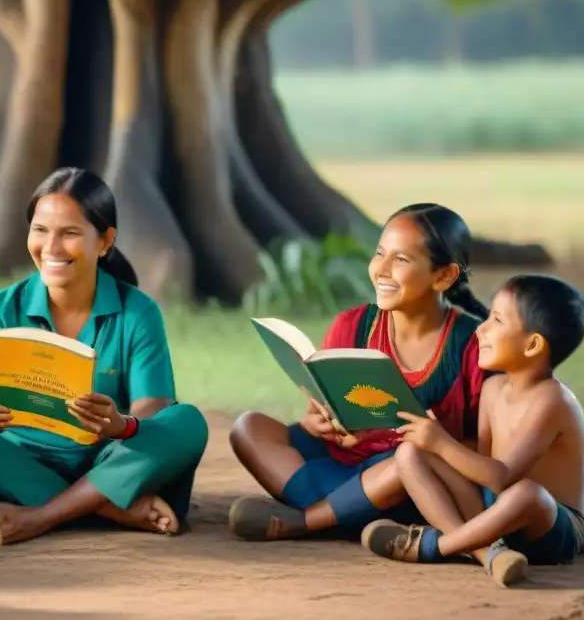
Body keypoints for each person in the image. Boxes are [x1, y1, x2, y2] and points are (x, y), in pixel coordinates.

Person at [0, 167, 209, 546]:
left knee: (187, 421)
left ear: (105, 240)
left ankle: (40, 517)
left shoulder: (137, 311)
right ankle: (111, 510)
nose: (52, 248)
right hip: (28, 462)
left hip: (109, 458)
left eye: (70, 233)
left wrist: (118, 425)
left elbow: (153, 409)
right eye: (40, 230)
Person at [227, 203, 489, 542]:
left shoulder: (472, 345)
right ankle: (348, 511)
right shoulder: (352, 325)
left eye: (402, 260)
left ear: (444, 276)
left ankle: (311, 518)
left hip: (409, 478)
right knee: (248, 428)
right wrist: (316, 424)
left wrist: (433, 440)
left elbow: (487, 449)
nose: (382, 269)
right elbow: (316, 413)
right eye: (380, 253)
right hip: (343, 466)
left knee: (408, 460)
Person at [362, 274, 584, 587]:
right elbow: (483, 474)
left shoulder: (553, 400)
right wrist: (432, 441)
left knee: (529, 494)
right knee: (410, 453)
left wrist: (441, 443)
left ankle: (434, 547)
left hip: (551, 527)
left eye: (496, 320)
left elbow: (501, 476)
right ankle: (486, 551)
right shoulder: (492, 389)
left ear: (533, 344)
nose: (481, 329)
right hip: (495, 516)